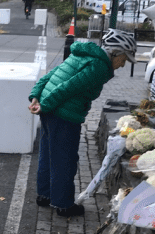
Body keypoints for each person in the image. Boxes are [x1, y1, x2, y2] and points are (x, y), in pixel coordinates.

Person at [28, 28, 136, 217]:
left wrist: (36, 96)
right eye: (124, 59)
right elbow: (69, 87)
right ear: (115, 53)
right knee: (65, 160)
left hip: (50, 112)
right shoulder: (99, 66)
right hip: (63, 114)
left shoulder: (82, 55)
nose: (123, 64)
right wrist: (44, 104)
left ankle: (44, 195)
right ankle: (63, 204)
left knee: (48, 153)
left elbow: (50, 76)